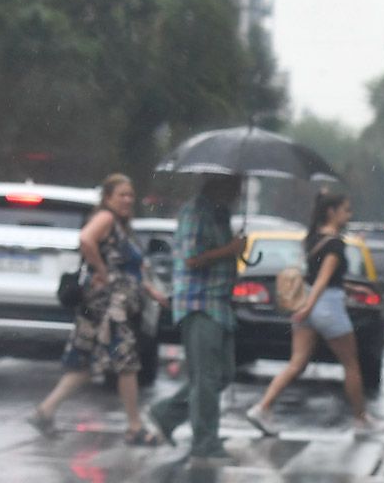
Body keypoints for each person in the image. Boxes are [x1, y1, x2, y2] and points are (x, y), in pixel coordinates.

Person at [28, 173, 170, 444]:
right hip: (108, 306)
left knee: (83, 363)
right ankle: (134, 427)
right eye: (121, 195)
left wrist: (152, 291)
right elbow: (86, 239)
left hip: (107, 304)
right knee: (126, 361)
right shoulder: (105, 219)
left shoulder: (122, 226)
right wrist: (101, 270)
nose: (128, 200)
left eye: (130, 195)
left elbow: (133, 268)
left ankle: (45, 411)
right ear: (107, 198)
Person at [242, 188, 383, 435]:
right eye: (346, 210)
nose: (349, 215)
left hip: (309, 303)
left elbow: (317, 276)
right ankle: (361, 420)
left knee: (297, 363)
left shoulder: (312, 237)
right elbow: (323, 280)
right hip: (326, 307)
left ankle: (262, 408)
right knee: (351, 363)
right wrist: (310, 307)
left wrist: (343, 287)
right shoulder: (336, 244)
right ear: (332, 211)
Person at [148, 173, 249, 459]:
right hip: (199, 303)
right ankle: (205, 442)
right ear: (220, 183)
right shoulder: (195, 212)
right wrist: (230, 249)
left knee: (223, 374)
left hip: (220, 304)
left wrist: (234, 250)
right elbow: (191, 257)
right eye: (236, 185)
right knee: (206, 377)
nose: (239, 191)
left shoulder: (221, 214)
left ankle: (166, 414)